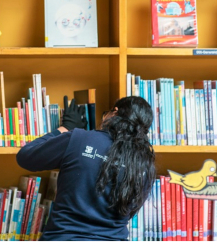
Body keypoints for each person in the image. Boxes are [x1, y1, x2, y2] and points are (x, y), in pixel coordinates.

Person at [16, 96, 156, 241]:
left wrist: (65, 128)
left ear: (114, 113)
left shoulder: (80, 138)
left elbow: (25, 157)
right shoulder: (144, 162)